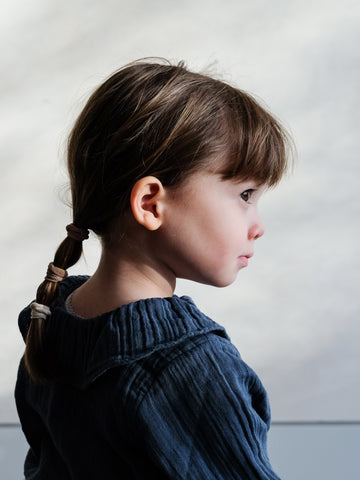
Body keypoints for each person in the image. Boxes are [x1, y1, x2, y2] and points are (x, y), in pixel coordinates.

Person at [15, 59, 291, 479]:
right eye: (245, 194)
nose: (259, 226)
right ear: (151, 203)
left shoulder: (49, 322)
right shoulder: (192, 369)